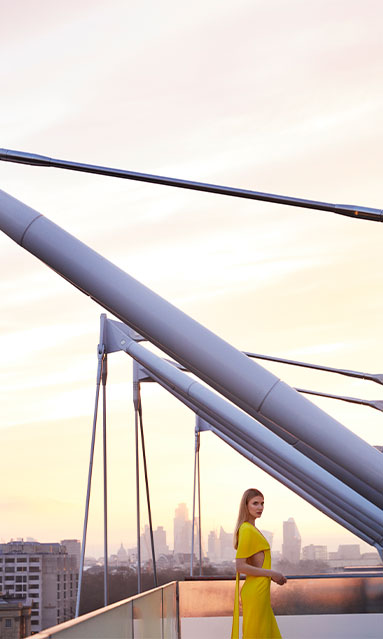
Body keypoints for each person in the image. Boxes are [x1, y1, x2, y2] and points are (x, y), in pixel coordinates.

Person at [231, 488, 287, 639]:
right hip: (256, 592)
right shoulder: (247, 530)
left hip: (260, 591)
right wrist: (272, 574)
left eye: (262, 504)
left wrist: (273, 575)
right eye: (255, 503)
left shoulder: (251, 529)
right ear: (246, 505)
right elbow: (240, 566)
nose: (260, 507)